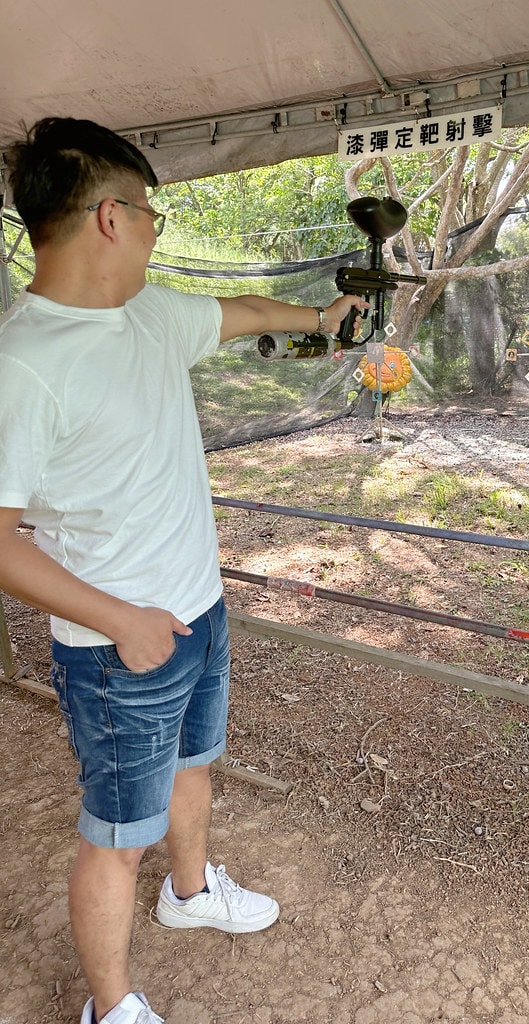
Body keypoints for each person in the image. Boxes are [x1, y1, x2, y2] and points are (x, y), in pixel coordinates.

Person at [0, 117, 367, 1024]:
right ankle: (111, 1005)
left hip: (198, 611)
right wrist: (124, 621)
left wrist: (320, 319)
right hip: (115, 648)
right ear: (111, 218)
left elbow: (240, 315)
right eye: (152, 211)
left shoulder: (149, 313)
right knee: (116, 836)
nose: (159, 227)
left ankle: (193, 895)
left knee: (196, 765)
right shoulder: (22, 365)